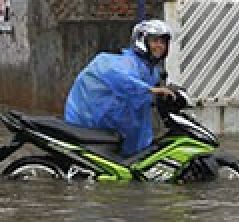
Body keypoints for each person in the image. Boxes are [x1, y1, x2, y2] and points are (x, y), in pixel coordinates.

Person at [64, 19, 176, 157]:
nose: (160, 46)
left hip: (120, 128)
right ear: (142, 41)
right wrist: (150, 89)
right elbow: (121, 79)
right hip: (92, 122)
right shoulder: (123, 61)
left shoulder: (151, 69)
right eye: (155, 41)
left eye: (163, 42)